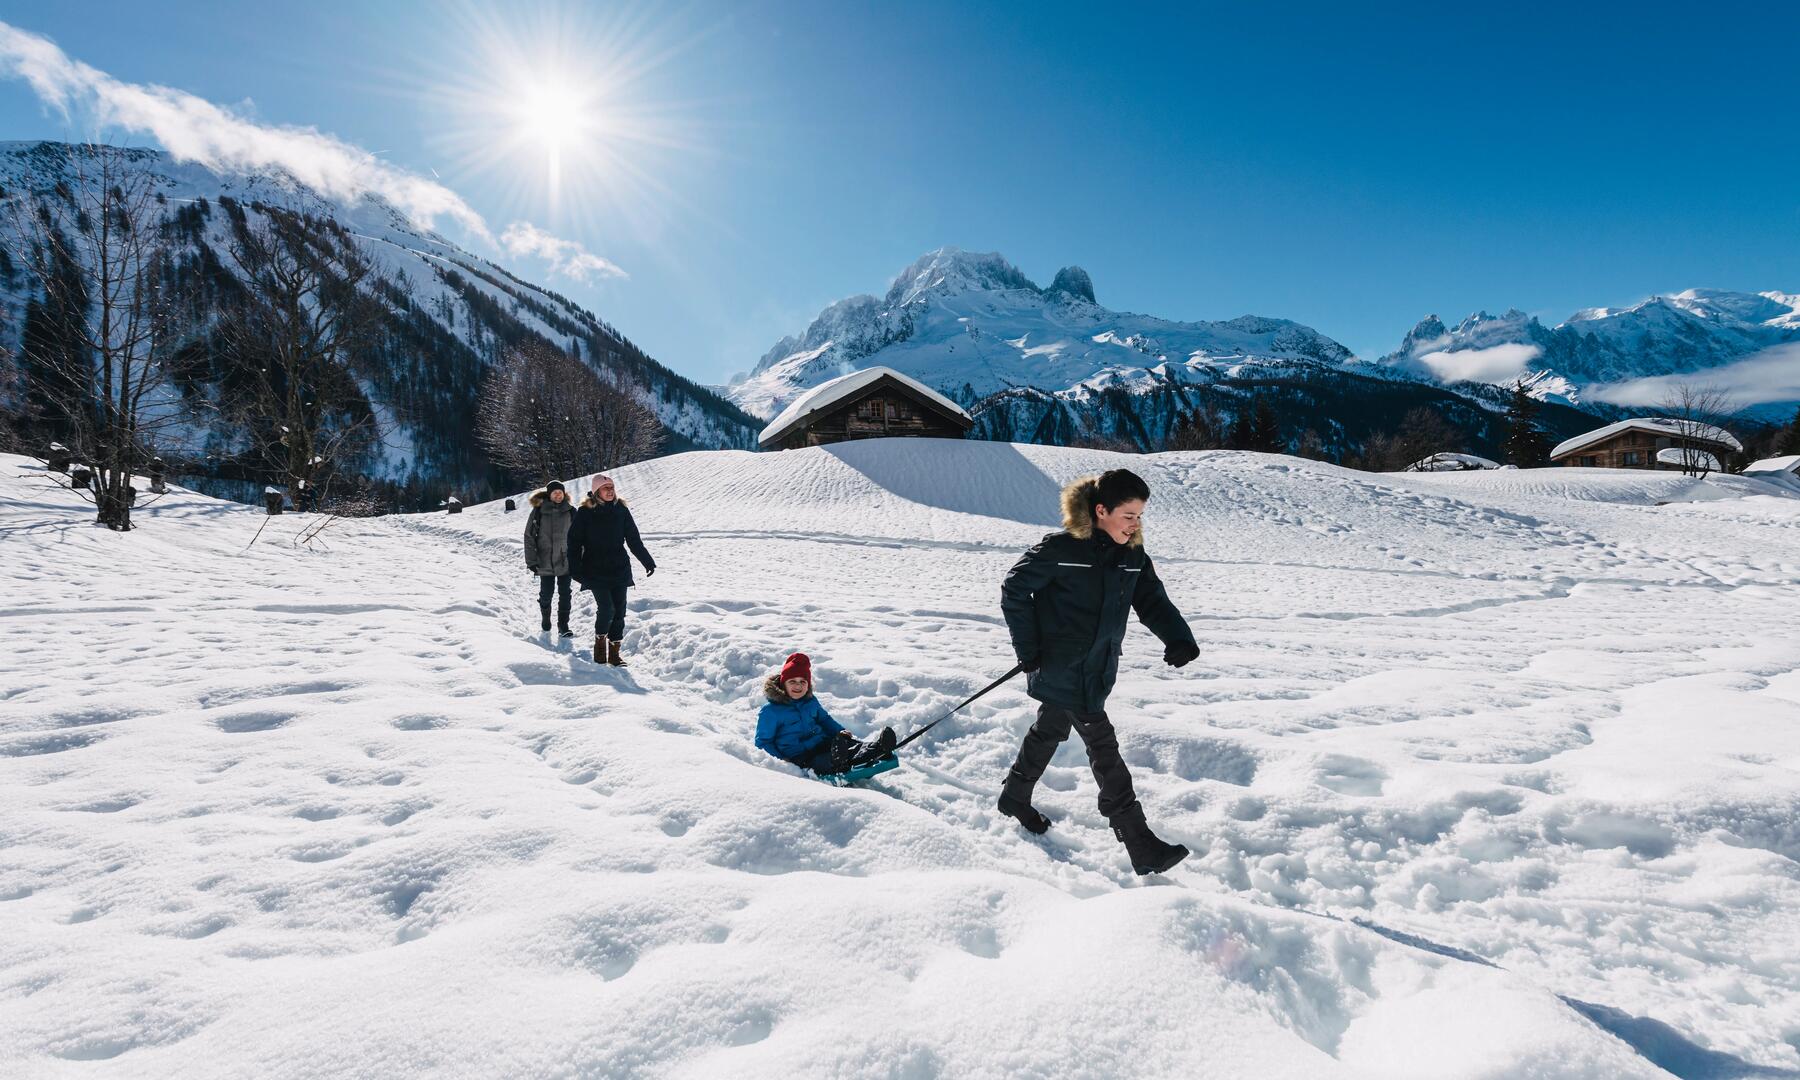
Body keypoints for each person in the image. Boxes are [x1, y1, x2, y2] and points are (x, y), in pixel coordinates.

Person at [997, 468, 1201, 876]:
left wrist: (1179, 639)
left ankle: (1015, 796)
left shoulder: (1132, 557)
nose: (1135, 524)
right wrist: (1029, 648)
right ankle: (1140, 843)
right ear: (1101, 510)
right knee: (1104, 749)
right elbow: (1014, 589)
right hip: (1062, 667)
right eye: (1128, 515)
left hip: (1098, 667)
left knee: (1050, 729)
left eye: (1140, 516)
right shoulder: (1062, 549)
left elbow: (1153, 601)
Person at [755, 652, 897, 775]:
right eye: (792, 681)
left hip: (821, 742)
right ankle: (839, 762)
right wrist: (781, 759)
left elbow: (824, 719)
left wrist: (839, 731)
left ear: (808, 684)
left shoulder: (810, 701)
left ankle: (877, 748)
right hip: (799, 755)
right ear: (783, 684)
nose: (798, 686)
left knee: (851, 746)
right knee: (822, 760)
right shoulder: (771, 711)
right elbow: (763, 742)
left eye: (803, 681)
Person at [568, 473, 656, 666]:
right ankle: (600, 642)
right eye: (606, 488)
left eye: (612, 488)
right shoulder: (585, 512)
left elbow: (633, 539)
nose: (610, 491)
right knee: (607, 608)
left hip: (619, 567)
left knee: (620, 611)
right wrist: (575, 569)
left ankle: (615, 653)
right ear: (596, 491)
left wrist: (647, 561)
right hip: (595, 567)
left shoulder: (621, 510)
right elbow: (574, 542)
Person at [523, 480, 575, 636]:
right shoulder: (539, 511)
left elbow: (580, 536)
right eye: (555, 492)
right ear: (549, 494)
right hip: (544, 559)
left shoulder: (571, 511)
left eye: (560, 492)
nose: (558, 495)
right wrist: (531, 561)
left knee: (565, 593)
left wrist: (580, 558)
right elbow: (529, 536)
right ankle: (546, 619)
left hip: (565, 560)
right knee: (547, 593)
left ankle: (563, 626)